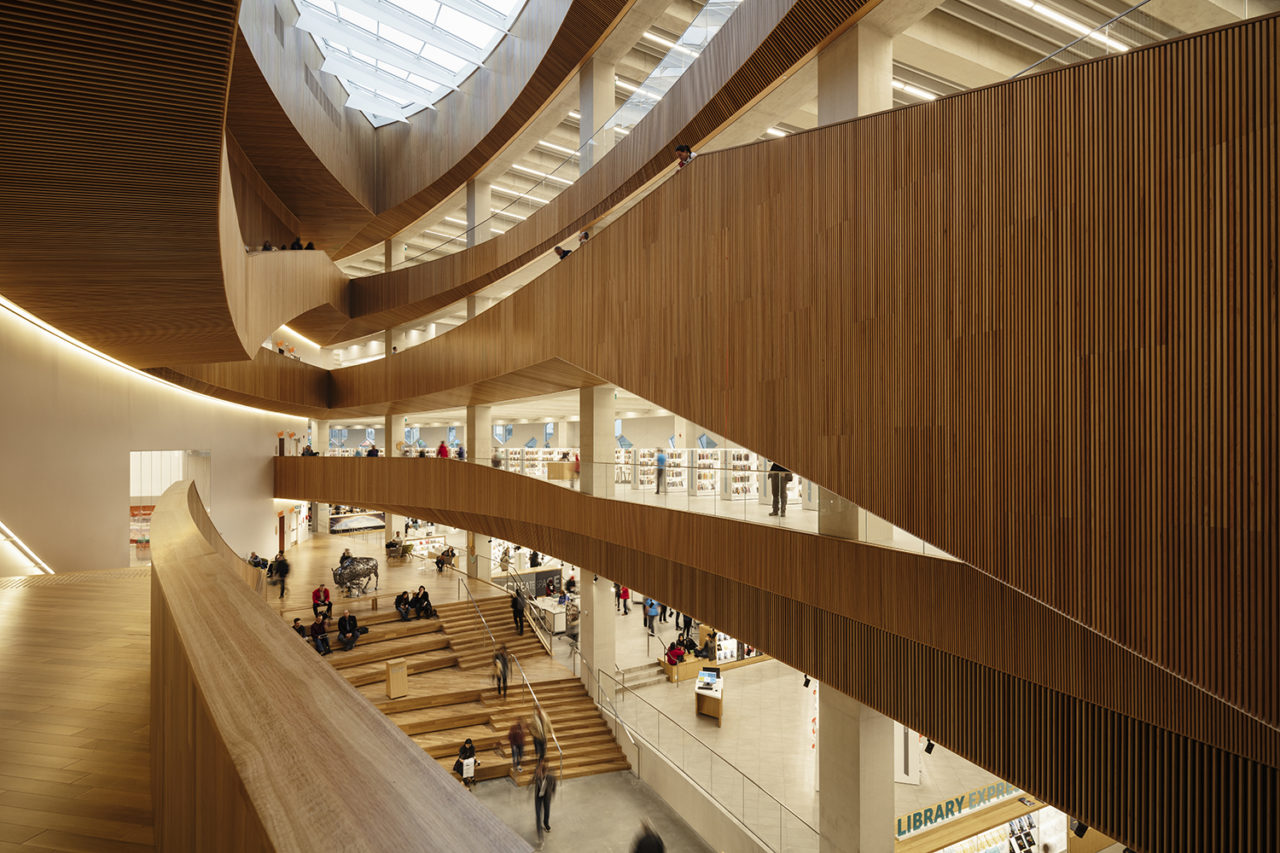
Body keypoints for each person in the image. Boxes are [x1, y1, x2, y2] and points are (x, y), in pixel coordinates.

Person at [532, 758, 556, 840]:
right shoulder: (537, 771)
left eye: (544, 763)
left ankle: (546, 824)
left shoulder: (551, 772)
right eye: (541, 762)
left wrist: (553, 792)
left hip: (547, 796)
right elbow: (533, 780)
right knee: (538, 814)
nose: (542, 764)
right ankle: (539, 833)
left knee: (547, 810)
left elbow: (554, 783)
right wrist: (537, 775)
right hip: (538, 795)